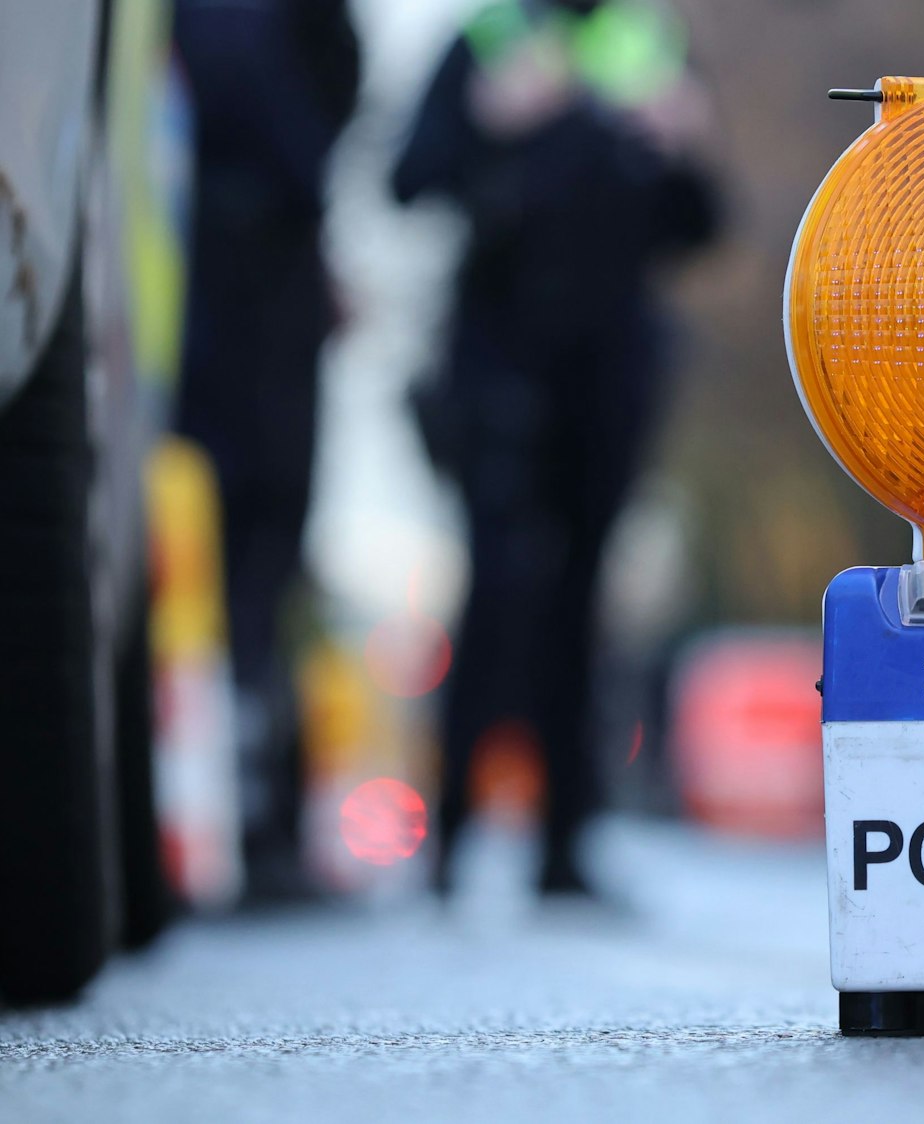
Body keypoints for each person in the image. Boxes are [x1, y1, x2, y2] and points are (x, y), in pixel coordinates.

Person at [391, 0, 719, 897]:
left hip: (609, 372)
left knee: (581, 598)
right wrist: (490, 124)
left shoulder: (649, 50)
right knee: (499, 592)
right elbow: (409, 179)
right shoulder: (486, 43)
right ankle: (450, 836)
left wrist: (683, 145)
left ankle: (564, 847)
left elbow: (699, 225)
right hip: (499, 364)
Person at [173, 0, 360, 901]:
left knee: (249, 576)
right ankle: (248, 824)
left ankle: (252, 820)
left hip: (239, 289)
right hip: (238, 305)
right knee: (242, 570)